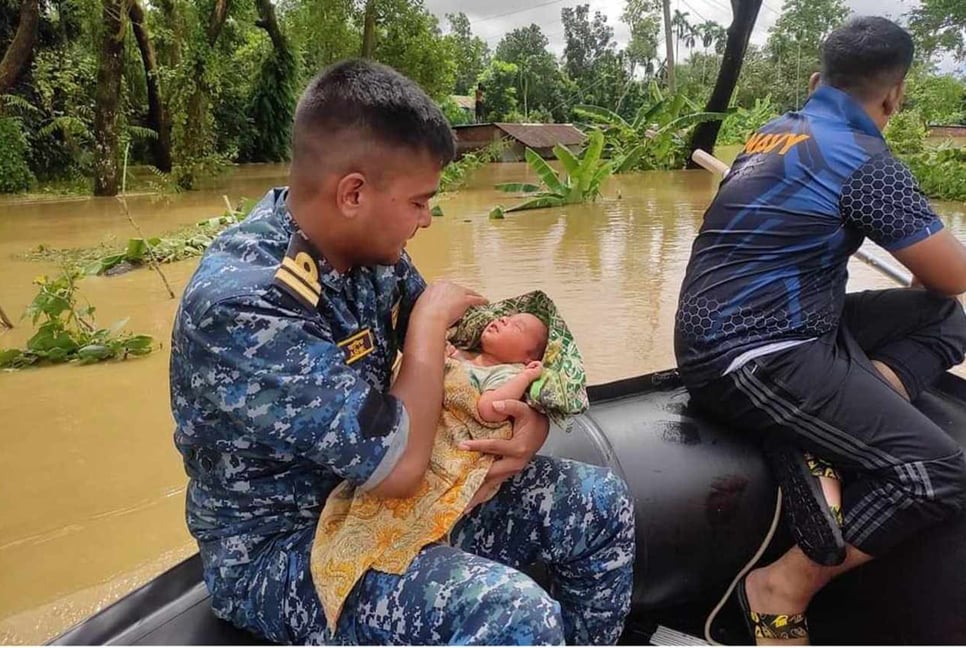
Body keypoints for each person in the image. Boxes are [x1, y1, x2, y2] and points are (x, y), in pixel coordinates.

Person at [170, 58, 635, 645]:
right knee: (513, 614)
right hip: (285, 550)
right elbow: (398, 466)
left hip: (388, 506)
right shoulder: (243, 304)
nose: (425, 221)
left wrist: (533, 420)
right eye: (419, 202)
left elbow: (479, 345)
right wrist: (427, 326)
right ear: (354, 193)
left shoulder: (366, 256)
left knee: (597, 502)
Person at [674, 16, 966, 644]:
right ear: (895, 97)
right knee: (942, 471)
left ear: (816, 81)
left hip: (777, 325)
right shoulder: (864, 161)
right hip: (751, 353)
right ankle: (785, 584)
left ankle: (835, 429)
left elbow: (940, 298)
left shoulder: (769, 135)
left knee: (943, 321)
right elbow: (953, 272)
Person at [447, 313, 549, 422]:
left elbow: (490, 410)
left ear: (529, 358)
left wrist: (526, 377)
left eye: (517, 326)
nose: (503, 319)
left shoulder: (507, 374)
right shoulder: (463, 350)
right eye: (508, 317)